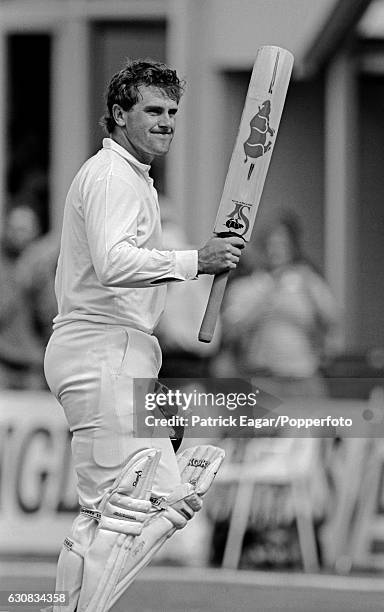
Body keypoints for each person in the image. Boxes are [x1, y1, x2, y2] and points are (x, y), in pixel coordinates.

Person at [43, 59, 243, 611]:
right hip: (103, 346)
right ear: (118, 115)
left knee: (128, 509)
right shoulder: (112, 177)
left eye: (172, 112)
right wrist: (195, 259)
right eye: (152, 111)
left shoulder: (129, 178)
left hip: (107, 350)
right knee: (141, 508)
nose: (166, 122)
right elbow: (112, 263)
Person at [0, 204, 43, 388]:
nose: (19, 234)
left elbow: (51, 316)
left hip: (34, 364)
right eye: (15, 229)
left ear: (36, 232)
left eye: (24, 229)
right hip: (3, 362)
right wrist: (18, 280)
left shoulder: (45, 270)